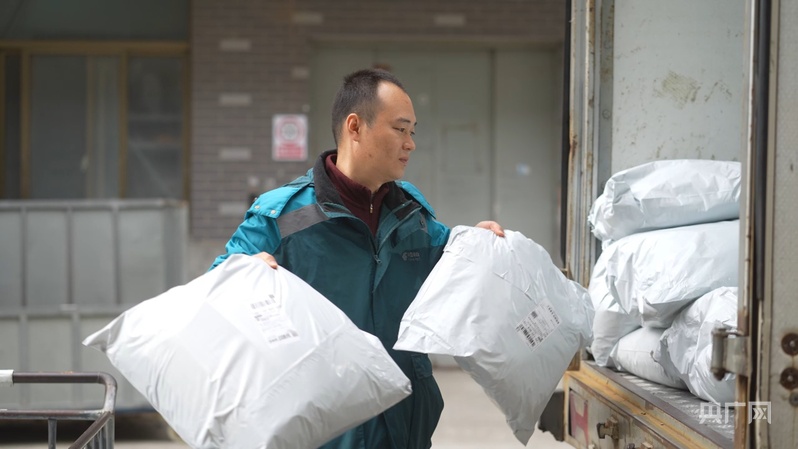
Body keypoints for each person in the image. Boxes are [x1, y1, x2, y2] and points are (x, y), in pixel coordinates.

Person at [210, 68, 504, 449]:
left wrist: (474, 243)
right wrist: (243, 274)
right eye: (400, 129)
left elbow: (447, 260)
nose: (411, 144)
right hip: (326, 433)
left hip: (405, 431)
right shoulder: (282, 217)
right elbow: (216, 290)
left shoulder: (410, 213)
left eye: (412, 132)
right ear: (355, 127)